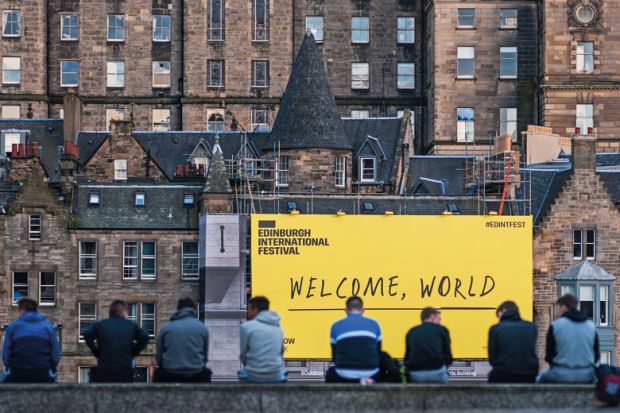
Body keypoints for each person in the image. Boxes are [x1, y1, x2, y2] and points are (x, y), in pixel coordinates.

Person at [537, 294, 599, 383]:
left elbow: (549, 356)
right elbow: (596, 356)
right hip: (586, 375)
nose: (556, 312)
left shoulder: (555, 325)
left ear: (564, 307)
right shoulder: (592, 326)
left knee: (540, 378)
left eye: (557, 308)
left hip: (560, 373)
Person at [84, 300, 149, 383]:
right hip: (125, 372)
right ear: (124, 312)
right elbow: (145, 336)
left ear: (110, 313)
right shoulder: (131, 325)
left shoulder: (100, 324)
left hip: (104, 371)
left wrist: (96, 351)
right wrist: (134, 351)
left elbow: (87, 333)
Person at [2, 297, 60, 383]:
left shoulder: (12, 327)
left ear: (21, 311)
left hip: (17, 374)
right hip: (43, 374)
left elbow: (5, 359)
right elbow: (55, 358)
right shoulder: (49, 327)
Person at [154, 297, 211, 383]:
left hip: (170, 373)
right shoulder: (202, 328)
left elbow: (159, 356)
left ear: (178, 310)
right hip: (196, 373)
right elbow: (205, 357)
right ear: (194, 310)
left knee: (158, 374)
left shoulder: (166, 328)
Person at [326, 296, 382, 383]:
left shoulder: (336, 326)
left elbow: (335, 356)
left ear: (346, 311)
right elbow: (378, 352)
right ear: (362, 310)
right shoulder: (374, 324)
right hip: (371, 371)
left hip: (344, 372)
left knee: (330, 374)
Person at [238, 296, 287, 383]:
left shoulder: (246, 327)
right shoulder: (279, 329)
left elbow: (243, 355)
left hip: (252, 375)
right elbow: (281, 353)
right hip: (275, 375)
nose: (247, 311)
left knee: (242, 373)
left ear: (255, 309)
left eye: (249, 309)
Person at [487, 301, 538, 383]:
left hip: (503, 374)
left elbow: (492, 358)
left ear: (502, 311)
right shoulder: (531, 327)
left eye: (498, 315)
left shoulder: (495, 329)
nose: (499, 319)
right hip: (529, 375)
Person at [404, 307, 452, 383]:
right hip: (437, 372)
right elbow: (449, 357)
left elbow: (406, 358)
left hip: (415, 374)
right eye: (439, 319)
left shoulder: (411, 331)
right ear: (432, 316)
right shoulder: (442, 330)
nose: (440, 322)